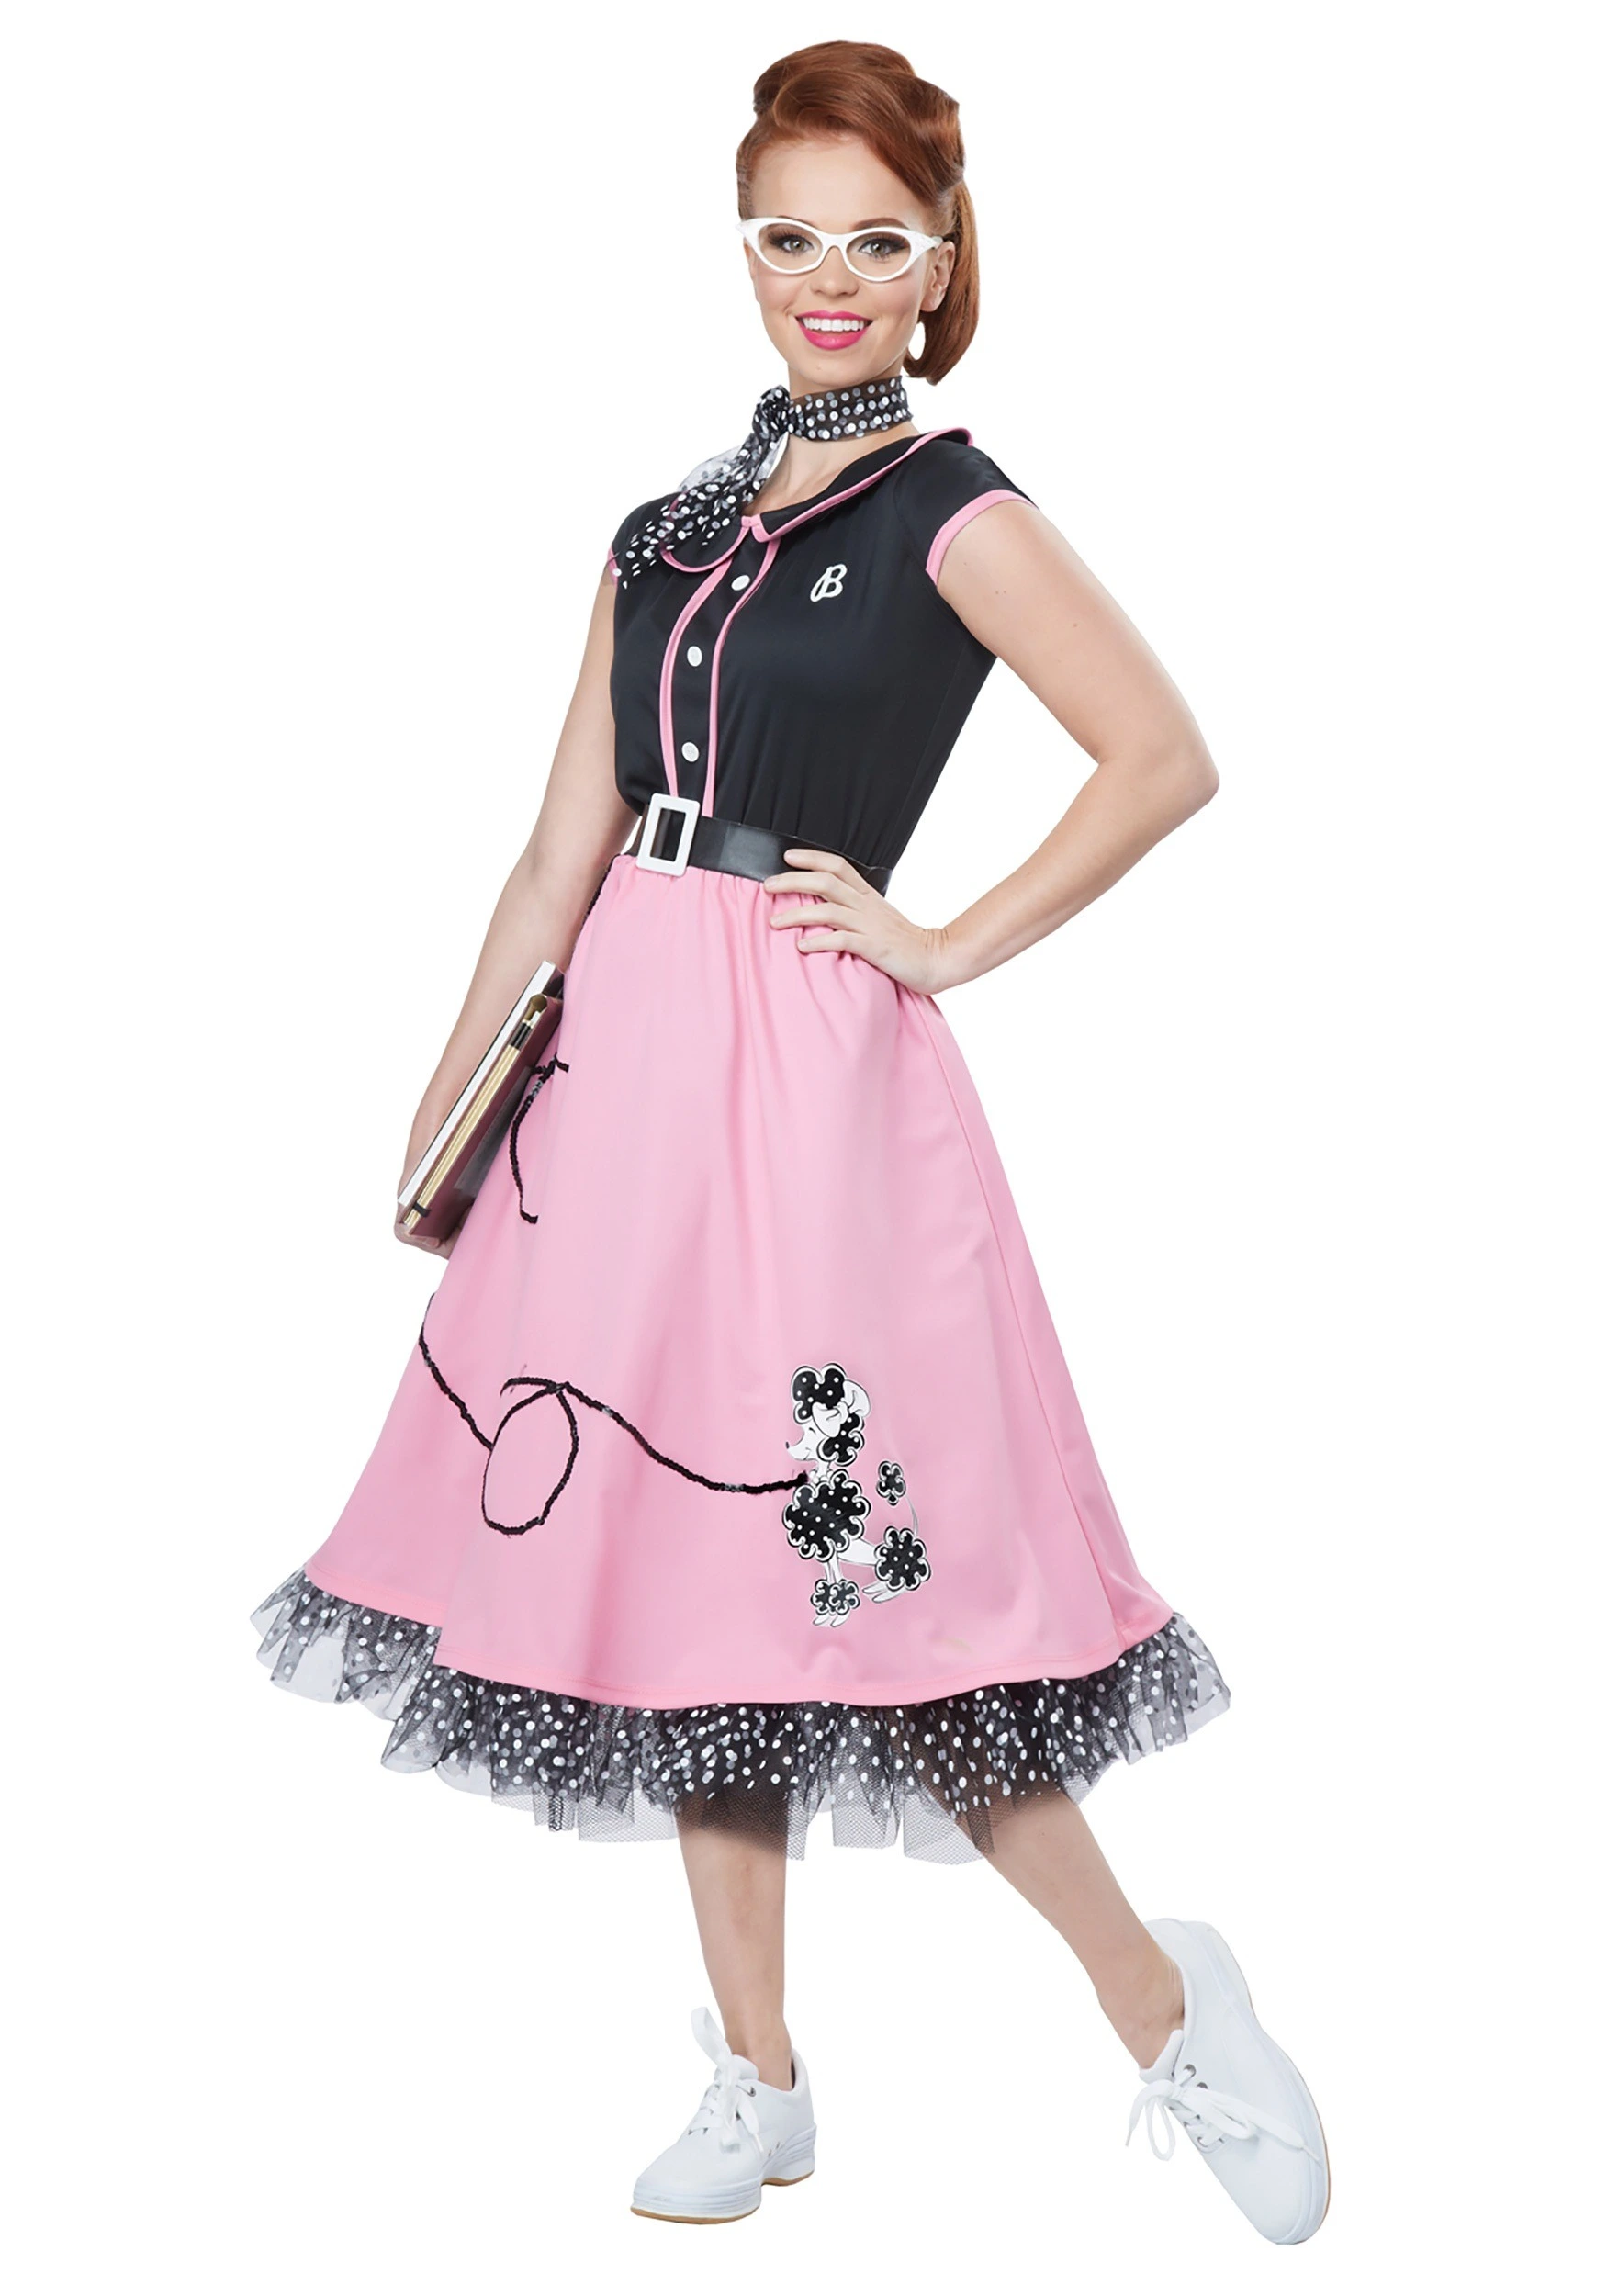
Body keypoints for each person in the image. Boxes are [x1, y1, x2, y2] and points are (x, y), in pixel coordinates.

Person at [251, 39, 1329, 2245]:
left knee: (862, 1570)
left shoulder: (955, 511)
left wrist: (938, 941)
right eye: (784, 235)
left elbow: (1159, 754)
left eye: (872, 241)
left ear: (935, 266)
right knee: (680, 1582)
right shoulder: (659, 531)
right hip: (616, 1082)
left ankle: (1164, 2003)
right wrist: (449, 1109)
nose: (824, 278)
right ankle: (756, 2069)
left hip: (813, 1089)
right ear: (738, 247)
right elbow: (553, 847)